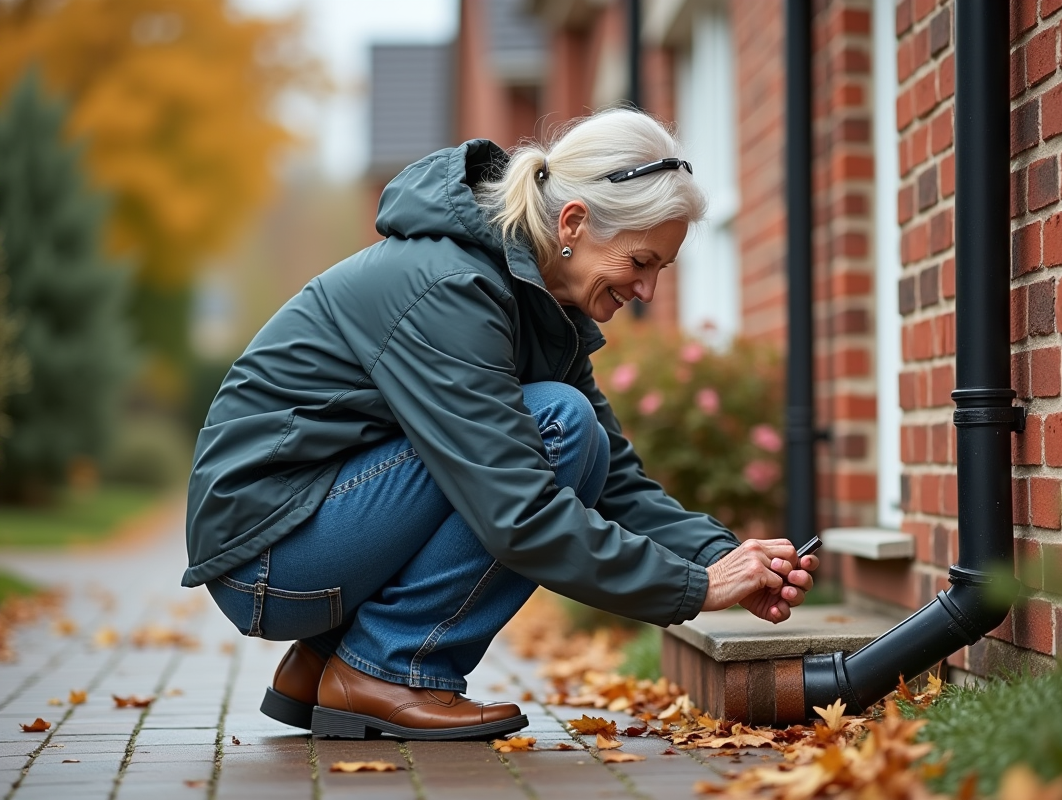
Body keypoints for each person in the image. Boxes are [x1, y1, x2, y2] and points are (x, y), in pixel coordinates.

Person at [184, 108, 819, 742]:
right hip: (266, 558)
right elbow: (516, 509)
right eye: (640, 262)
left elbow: (616, 483)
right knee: (559, 425)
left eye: (661, 270)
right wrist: (690, 588)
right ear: (574, 222)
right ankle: (390, 667)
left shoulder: (536, 303)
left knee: (573, 434)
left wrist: (723, 557)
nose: (648, 291)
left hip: (303, 530)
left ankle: (325, 662)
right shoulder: (452, 287)